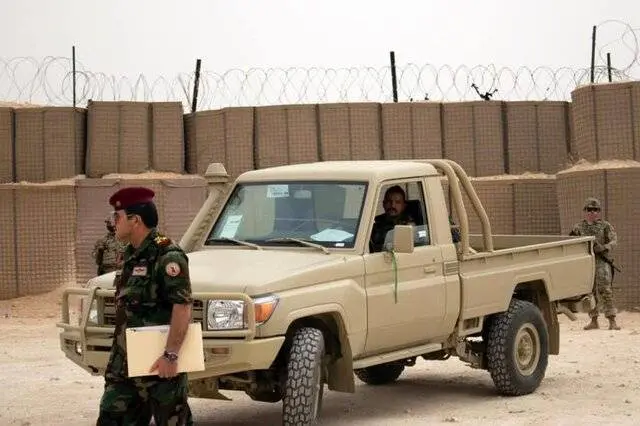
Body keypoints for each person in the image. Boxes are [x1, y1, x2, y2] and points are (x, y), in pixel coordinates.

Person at [96, 186, 194, 425]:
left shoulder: (168, 255)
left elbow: (182, 307)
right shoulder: (130, 255)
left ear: (135, 220)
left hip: (159, 368)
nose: (113, 223)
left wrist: (171, 355)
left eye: (117, 217)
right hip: (125, 367)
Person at [569, 197, 621, 331]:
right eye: (589, 209)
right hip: (586, 263)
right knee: (589, 292)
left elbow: (614, 241)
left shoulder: (605, 226)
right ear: (585, 211)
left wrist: (604, 247)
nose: (592, 212)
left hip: (601, 262)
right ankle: (593, 320)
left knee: (605, 290)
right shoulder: (578, 228)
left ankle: (612, 320)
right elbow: (571, 242)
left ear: (599, 212)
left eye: (596, 210)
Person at [370, 185, 415, 252]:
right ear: (383, 204)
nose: (392, 205)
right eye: (389, 201)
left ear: (404, 206)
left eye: (397, 202)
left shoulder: (408, 225)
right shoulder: (374, 222)